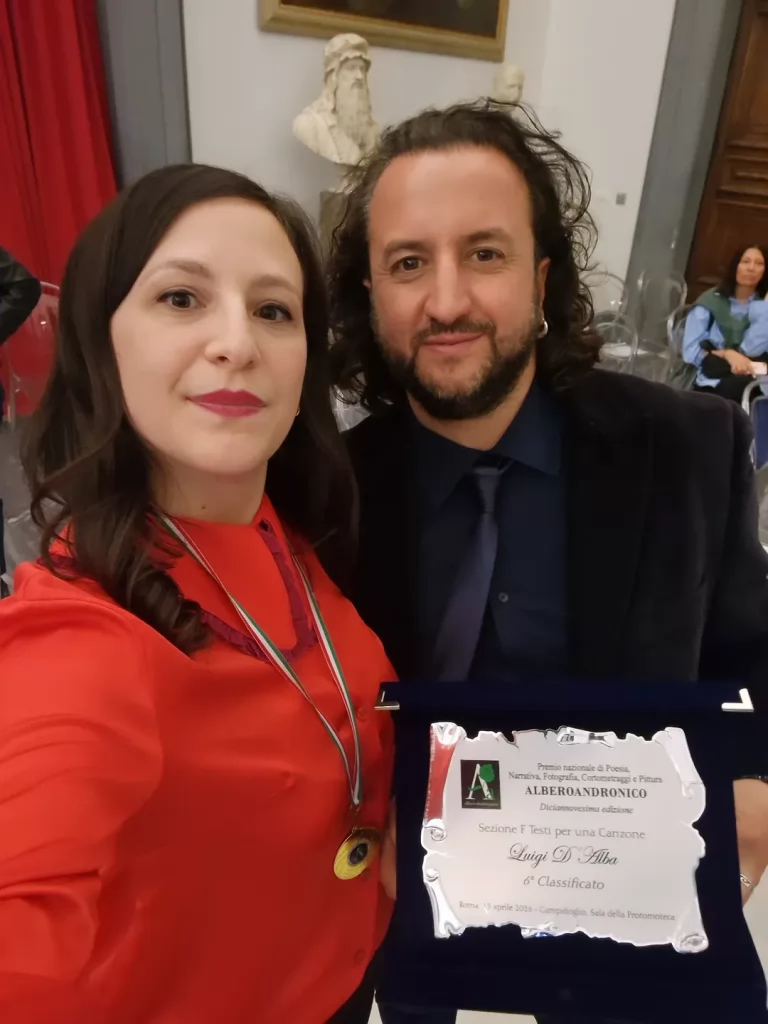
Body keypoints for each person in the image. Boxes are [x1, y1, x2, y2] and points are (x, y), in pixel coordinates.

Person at [328, 102, 768, 1024]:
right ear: (371, 294)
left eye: (484, 253)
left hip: (623, 907)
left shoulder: (689, 448)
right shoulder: (326, 493)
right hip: (407, 908)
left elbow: (751, 646)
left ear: (540, 278)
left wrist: (761, 781)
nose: (446, 301)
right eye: (408, 263)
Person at [0, 164, 394, 1024]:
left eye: (274, 310)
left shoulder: (289, 532)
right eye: (182, 299)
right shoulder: (80, 638)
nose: (237, 343)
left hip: (346, 985)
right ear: (100, 342)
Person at [683, 244, 768, 403]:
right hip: (714, 379)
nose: (751, 268)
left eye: (759, 263)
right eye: (745, 261)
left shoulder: (763, 305)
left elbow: (755, 349)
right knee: (737, 389)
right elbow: (690, 351)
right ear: (735, 266)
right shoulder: (711, 301)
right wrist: (727, 355)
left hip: (755, 379)